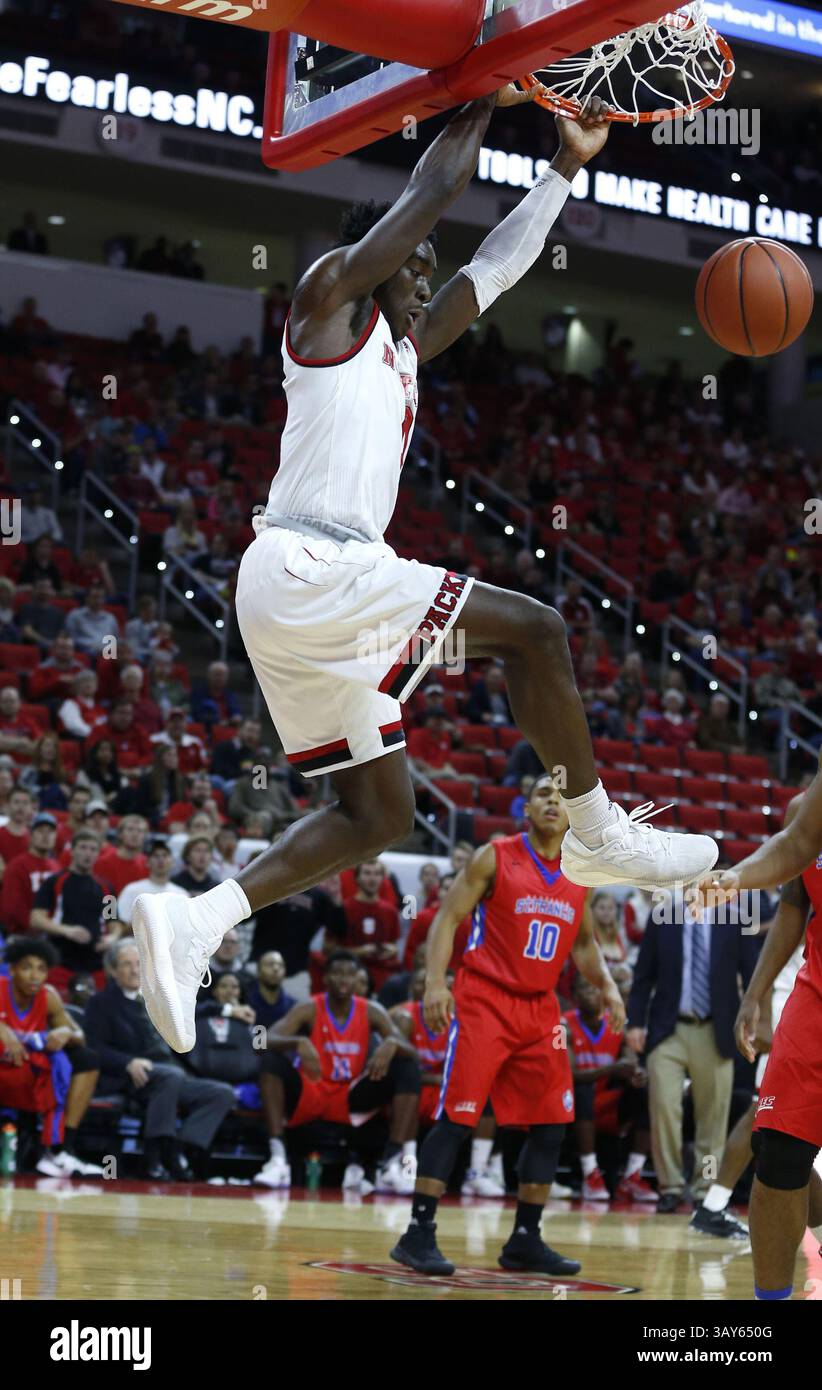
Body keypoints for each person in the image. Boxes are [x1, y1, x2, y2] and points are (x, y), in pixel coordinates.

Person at [131, 91, 716, 1056]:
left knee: (379, 809)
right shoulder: (327, 301)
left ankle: (199, 918)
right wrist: (483, 80)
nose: (430, 269)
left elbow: (496, 266)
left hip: (307, 589)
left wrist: (566, 168)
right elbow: (435, 188)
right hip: (309, 562)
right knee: (538, 631)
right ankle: (597, 827)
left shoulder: (403, 356)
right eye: (416, 257)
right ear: (382, 256)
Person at [391, 774, 625, 1276]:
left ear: (572, 814)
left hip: (542, 1010)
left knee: (551, 1123)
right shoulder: (494, 855)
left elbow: (583, 945)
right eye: (543, 793)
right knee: (459, 1116)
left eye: (563, 798)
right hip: (484, 1000)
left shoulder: (580, 873)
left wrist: (607, 986)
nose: (553, 802)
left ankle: (525, 1239)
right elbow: (447, 919)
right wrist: (436, 983)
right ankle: (418, 1232)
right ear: (525, 807)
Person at [694, 775, 822, 1296]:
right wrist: (756, 994)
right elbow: (795, 899)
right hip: (816, 993)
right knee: (778, 1147)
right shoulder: (806, 807)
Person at [626, 886, 760, 1215]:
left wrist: (755, 1015)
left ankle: (704, 1189)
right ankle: (669, 1186)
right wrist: (634, 1023)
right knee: (664, 1108)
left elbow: (753, 974)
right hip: (667, 1029)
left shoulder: (736, 918)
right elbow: (643, 976)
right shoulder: (662, 916)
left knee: (713, 1118)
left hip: (716, 1028)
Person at [253, 950, 421, 1193]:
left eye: (350, 974)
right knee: (270, 1060)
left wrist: (393, 1043)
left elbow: (414, 1054)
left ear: (357, 979)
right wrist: (297, 1042)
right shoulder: (309, 1008)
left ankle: (391, 1165)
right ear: (326, 978)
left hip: (351, 1095)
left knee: (408, 1068)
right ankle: (278, 1160)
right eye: (337, 973)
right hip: (311, 1091)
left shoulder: (372, 1010)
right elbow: (260, 1041)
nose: (343, 979)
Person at [84, 940, 235, 1180]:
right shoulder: (101, 1003)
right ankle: (153, 1157)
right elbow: (94, 1047)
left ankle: (179, 1149)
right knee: (171, 1076)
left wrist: (227, 1010)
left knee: (222, 1093)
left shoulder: (156, 996)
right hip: (130, 1078)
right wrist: (128, 1062)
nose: (135, 970)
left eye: (138, 963)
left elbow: (194, 1009)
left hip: (169, 1075)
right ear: (112, 970)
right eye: (126, 965)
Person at [0, 937, 104, 1178]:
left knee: (86, 1059)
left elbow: (80, 1036)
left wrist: (65, 1031)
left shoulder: (48, 997)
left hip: (28, 1067)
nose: (35, 976)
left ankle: (59, 1149)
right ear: (13, 969)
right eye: (27, 968)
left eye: (41, 969)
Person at [563, 973, 653, 1203]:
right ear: (574, 995)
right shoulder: (563, 1025)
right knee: (582, 1092)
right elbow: (569, 1075)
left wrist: (638, 1075)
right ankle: (590, 1174)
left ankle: (632, 1175)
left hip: (608, 1104)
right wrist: (612, 1069)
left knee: (648, 1093)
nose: (592, 993)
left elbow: (630, 1061)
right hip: (572, 1106)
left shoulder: (617, 1024)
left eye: (596, 989)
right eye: (584, 987)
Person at [30, 830, 117, 987]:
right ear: (73, 851)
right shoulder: (55, 882)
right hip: (61, 963)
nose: (88, 853)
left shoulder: (106, 887)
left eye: (92, 849)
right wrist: (66, 930)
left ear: (98, 854)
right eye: (83, 847)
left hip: (95, 966)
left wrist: (112, 938)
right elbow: (36, 919)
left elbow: (113, 922)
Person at [341, 859, 402, 993]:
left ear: (383, 878)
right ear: (357, 877)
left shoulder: (390, 912)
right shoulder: (343, 910)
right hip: (349, 978)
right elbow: (330, 950)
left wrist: (392, 950)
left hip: (382, 980)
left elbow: (394, 945)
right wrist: (360, 951)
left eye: (377, 874)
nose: (372, 879)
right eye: (367, 873)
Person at [1, 811, 59, 934]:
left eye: (50, 831)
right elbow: (12, 908)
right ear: (31, 835)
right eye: (41, 831)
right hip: (21, 935)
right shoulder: (17, 866)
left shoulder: (57, 867)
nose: (46, 835)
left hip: (52, 934)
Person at [116, 837, 188, 929]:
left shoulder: (181, 894)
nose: (161, 860)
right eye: (156, 856)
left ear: (172, 862)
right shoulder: (132, 889)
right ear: (147, 862)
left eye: (165, 856)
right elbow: (121, 923)